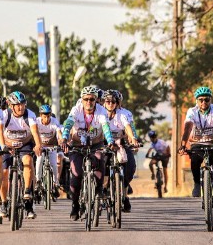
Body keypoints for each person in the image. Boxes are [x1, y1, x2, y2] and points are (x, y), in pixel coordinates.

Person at [178, 86, 213, 226]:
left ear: (211, 100)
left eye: (207, 100)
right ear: (196, 101)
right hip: (197, 143)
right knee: (195, 159)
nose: (204, 103)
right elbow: (188, 128)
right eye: (201, 100)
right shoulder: (192, 112)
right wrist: (183, 144)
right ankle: (197, 183)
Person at [59, 85, 115, 221]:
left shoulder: (101, 111)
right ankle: (75, 205)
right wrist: (65, 139)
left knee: (100, 158)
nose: (89, 102)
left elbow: (106, 127)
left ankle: (99, 190)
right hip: (77, 145)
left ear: (96, 100)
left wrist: (110, 141)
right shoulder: (76, 109)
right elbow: (68, 124)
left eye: (91, 99)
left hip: (96, 144)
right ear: (82, 100)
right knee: (76, 174)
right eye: (86, 99)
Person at [0, 91, 42, 219]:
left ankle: (28, 194)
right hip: (8, 145)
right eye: (17, 105)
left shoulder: (30, 115)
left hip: (25, 144)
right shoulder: (5, 115)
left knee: (28, 161)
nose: (21, 107)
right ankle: (4, 203)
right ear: (11, 106)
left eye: (23, 104)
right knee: (4, 172)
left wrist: (38, 145)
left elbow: (35, 131)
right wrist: (3, 146)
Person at [102, 90, 139, 212]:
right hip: (104, 145)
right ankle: (103, 190)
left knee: (130, 165)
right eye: (108, 101)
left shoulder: (123, 114)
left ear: (118, 103)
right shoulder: (99, 114)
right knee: (100, 164)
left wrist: (133, 139)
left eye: (114, 102)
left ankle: (124, 192)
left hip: (122, 145)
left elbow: (129, 127)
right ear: (104, 102)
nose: (111, 104)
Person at [34, 104, 62, 199]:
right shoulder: (36, 122)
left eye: (48, 116)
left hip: (51, 146)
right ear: (40, 115)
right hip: (41, 146)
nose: (46, 118)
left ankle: (55, 182)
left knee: (54, 164)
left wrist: (61, 140)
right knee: (39, 160)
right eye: (44, 116)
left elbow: (59, 133)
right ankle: (38, 181)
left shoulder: (54, 122)